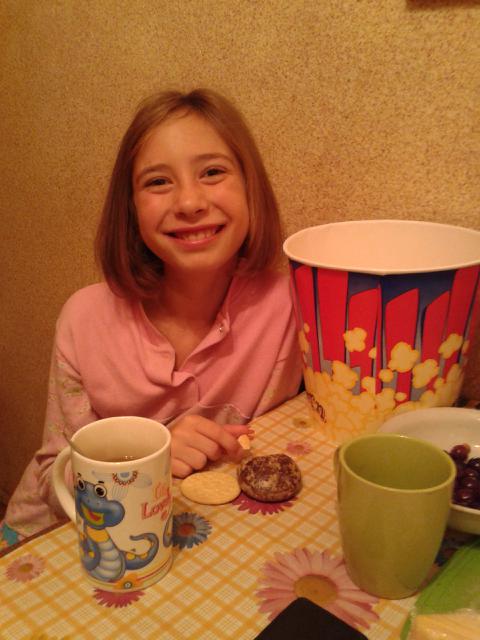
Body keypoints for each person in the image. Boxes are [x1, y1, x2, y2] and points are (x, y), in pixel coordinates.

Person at [1, 88, 303, 545]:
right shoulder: (84, 320)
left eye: (213, 172)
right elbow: (53, 476)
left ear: (250, 187)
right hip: (52, 538)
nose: (189, 202)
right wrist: (151, 456)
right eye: (158, 182)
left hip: (196, 540)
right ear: (131, 209)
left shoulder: (290, 308)